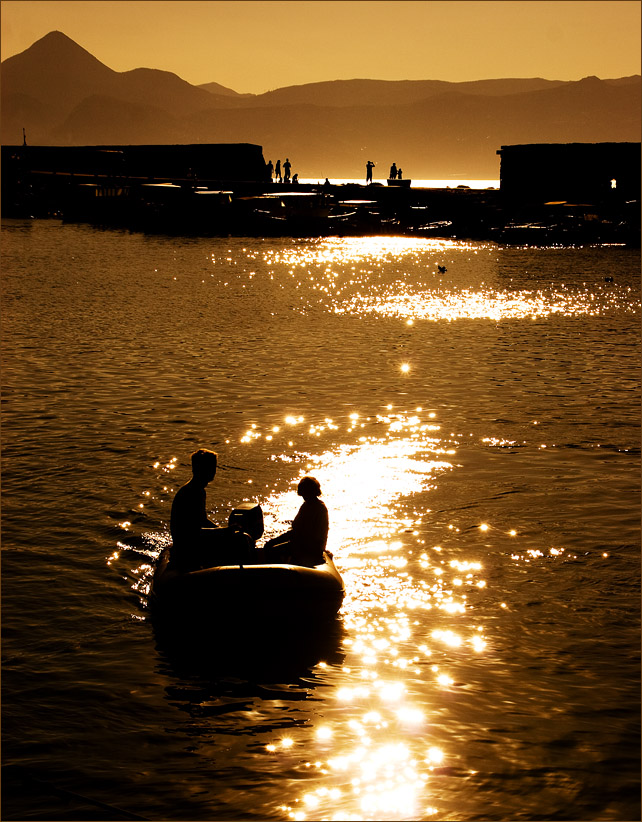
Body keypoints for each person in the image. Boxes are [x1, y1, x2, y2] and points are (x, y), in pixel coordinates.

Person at [263, 476, 329, 567]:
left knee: (272, 551)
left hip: (308, 548)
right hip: (306, 546)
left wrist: (273, 542)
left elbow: (297, 533)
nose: (303, 496)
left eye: (304, 493)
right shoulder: (310, 505)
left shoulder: (315, 508)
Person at [169, 449, 218, 571]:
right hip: (186, 550)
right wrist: (223, 532)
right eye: (210, 467)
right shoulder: (192, 492)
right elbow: (196, 529)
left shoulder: (197, 490)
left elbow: (202, 521)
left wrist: (222, 530)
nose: (213, 471)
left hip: (189, 544)